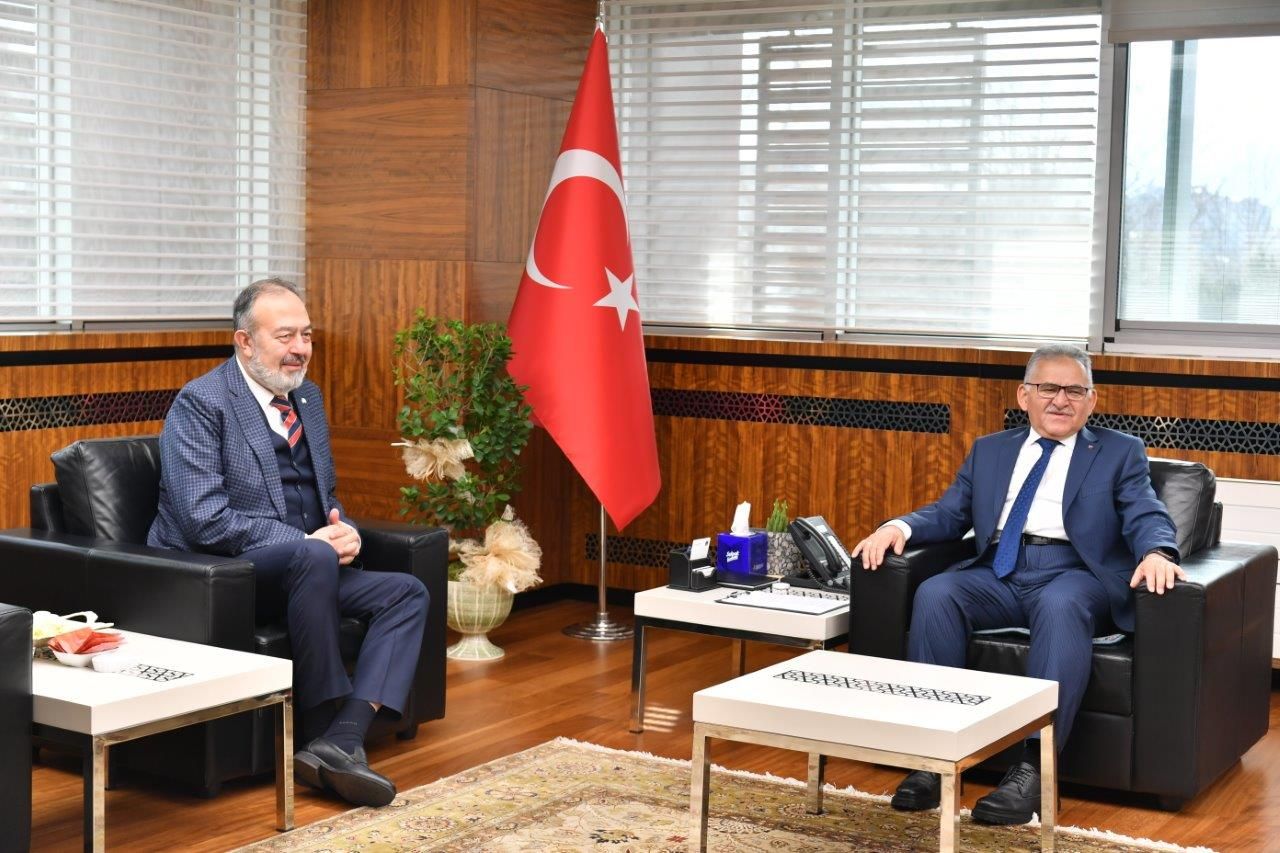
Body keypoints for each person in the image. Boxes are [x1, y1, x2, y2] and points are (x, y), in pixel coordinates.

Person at [850, 343, 1182, 825]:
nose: (1061, 400)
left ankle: (1033, 769)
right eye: (1049, 388)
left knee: (1060, 605)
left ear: (1092, 400)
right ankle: (932, 759)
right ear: (1024, 395)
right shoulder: (991, 450)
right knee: (938, 593)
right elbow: (950, 513)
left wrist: (1157, 552)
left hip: (1075, 573)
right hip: (999, 571)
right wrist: (898, 527)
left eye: (1075, 391)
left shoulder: (1118, 451)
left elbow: (1145, 511)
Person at [148, 277, 428, 808]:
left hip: (305, 568)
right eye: (285, 336)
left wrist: (342, 530)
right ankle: (321, 728)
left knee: (406, 592)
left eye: (307, 335)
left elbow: (320, 494)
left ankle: (341, 740)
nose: (300, 348)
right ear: (244, 342)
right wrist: (310, 540)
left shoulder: (307, 397)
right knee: (314, 553)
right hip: (224, 576)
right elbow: (205, 520)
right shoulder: (201, 403)